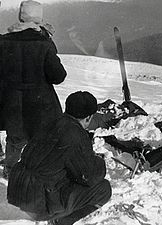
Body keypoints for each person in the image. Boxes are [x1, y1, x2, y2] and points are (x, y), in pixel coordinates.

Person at [7, 91, 112, 225]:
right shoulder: (75, 134)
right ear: (88, 118)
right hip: (38, 203)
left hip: (17, 190)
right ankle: (61, 221)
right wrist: (99, 161)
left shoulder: (50, 122)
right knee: (103, 189)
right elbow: (88, 177)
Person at [0, 0, 67, 177]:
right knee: (40, 139)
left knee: (14, 138)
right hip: (40, 104)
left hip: (11, 103)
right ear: (40, 18)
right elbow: (58, 76)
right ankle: (37, 173)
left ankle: (10, 171)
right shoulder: (44, 43)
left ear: (20, 16)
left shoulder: (3, 41)